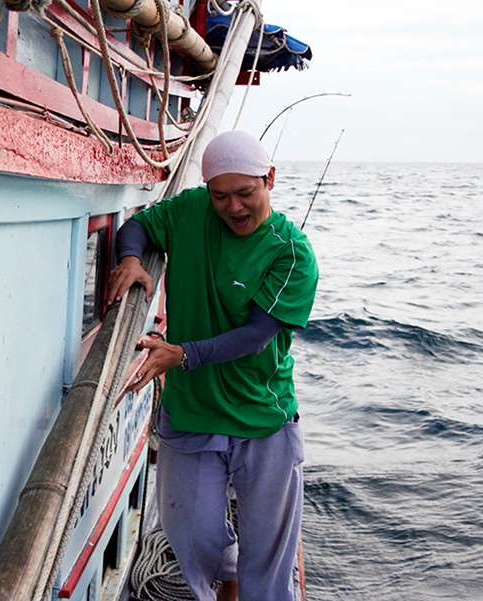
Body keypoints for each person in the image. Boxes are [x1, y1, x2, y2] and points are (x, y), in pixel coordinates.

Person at [107, 130, 318, 601]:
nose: (234, 207)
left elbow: (256, 335)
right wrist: (130, 260)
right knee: (192, 536)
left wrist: (181, 355)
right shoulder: (190, 210)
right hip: (191, 409)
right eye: (221, 195)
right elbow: (138, 226)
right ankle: (230, 574)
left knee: (270, 557)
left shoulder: (292, 253)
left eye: (246, 193)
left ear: (270, 179)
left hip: (263, 418)